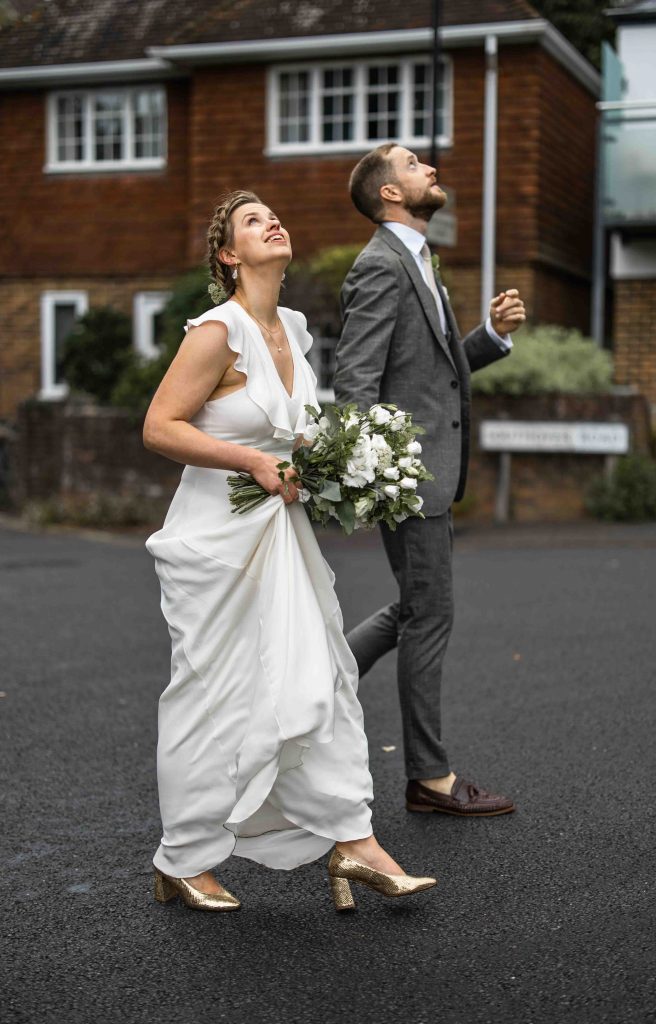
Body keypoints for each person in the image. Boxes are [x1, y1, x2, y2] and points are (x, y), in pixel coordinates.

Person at [142, 190, 436, 913]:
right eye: (250, 219)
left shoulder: (295, 329)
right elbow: (158, 426)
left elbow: (296, 436)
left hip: (280, 536)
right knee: (212, 698)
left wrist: (333, 469)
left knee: (320, 677)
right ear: (228, 255)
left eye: (274, 213)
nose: (271, 220)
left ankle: (352, 842)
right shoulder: (218, 330)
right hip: (216, 543)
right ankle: (180, 861)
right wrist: (248, 462)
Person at [334, 145, 526, 819]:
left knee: (416, 609)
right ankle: (429, 778)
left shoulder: (417, 261)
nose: (431, 170)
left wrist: (488, 336)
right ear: (388, 194)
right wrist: (378, 473)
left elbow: (434, 373)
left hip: (425, 472)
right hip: (406, 476)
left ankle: (317, 680)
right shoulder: (380, 266)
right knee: (428, 614)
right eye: (413, 165)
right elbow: (354, 381)